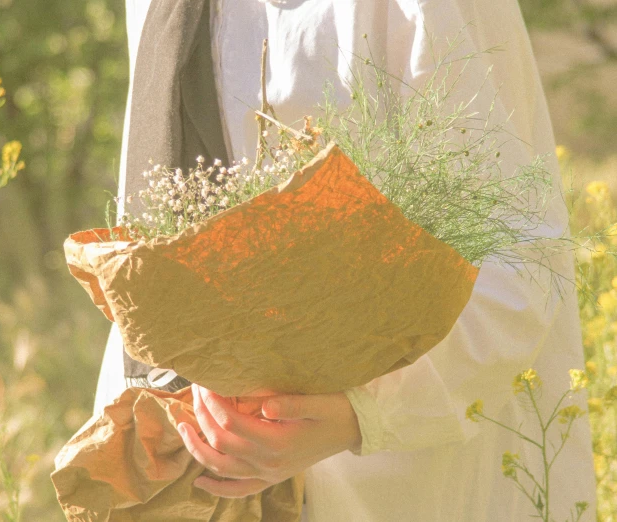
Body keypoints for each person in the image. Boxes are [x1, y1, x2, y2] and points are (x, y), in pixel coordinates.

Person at [93, 0, 598, 520]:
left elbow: (517, 257)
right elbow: (153, 215)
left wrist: (360, 416)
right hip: (204, 461)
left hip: (402, 471)